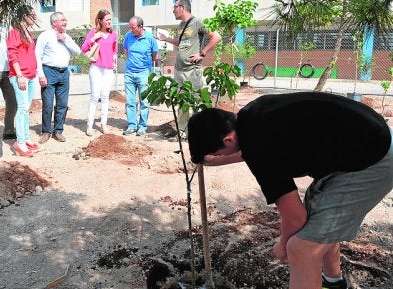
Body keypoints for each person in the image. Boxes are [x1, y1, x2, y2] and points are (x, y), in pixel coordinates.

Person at [187, 91, 393, 289]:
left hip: (374, 159)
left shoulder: (259, 152)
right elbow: (254, 149)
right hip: (366, 139)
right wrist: (216, 161)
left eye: (218, 153)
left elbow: (295, 218)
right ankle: (333, 282)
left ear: (228, 141)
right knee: (319, 218)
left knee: (301, 248)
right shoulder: (252, 113)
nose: (221, 157)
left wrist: (283, 244)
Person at [155, 0, 221, 138]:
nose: (173, 11)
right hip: (179, 70)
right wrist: (166, 39)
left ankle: (200, 133)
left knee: (196, 101)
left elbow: (216, 37)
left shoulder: (197, 22)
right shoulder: (181, 25)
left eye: (174, 8)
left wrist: (202, 53)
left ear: (182, 8)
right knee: (182, 102)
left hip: (192, 70)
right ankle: (183, 133)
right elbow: (181, 43)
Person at [36, 12, 81, 144]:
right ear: (54, 22)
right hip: (48, 72)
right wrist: (41, 75)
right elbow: (37, 56)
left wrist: (65, 39)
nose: (65, 22)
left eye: (65, 19)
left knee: (62, 104)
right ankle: (46, 131)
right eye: (62, 20)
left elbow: (78, 51)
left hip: (64, 73)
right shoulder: (45, 36)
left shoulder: (66, 36)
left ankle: (58, 131)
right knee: (48, 104)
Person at [7, 5, 40, 157]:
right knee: (22, 109)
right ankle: (19, 142)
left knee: (26, 109)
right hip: (21, 76)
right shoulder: (14, 32)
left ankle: (26, 138)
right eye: (32, 16)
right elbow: (13, 55)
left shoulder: (27, 32)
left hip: (31, 76)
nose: (34, 18)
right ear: (24, 16)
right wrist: (19, 75)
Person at [81, 9, 118, 136]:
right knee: (94, 96)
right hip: (96, 67)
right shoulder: (93, 32)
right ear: (100, 21)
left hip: (108, 69)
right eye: (107, 20)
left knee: (105, 97)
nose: (109, 22)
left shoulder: (113, 34)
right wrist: (94, 38)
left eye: (110, 20)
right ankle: (89, 126)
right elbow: (84, 48)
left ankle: (103, 124)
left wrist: (114, 57)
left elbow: (114, 49)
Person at [122, 16, 159, 137]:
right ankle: (132, 125)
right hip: (129, 73)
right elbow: (126, 52)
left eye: (133, 28)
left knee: (144, 101)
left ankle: (142, 127)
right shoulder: (128, 36)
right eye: (130, 27)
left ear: (141, 27)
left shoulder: (150, 39)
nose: (131, 30)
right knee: (130, 101)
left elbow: (154, 56)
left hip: (144, 74)